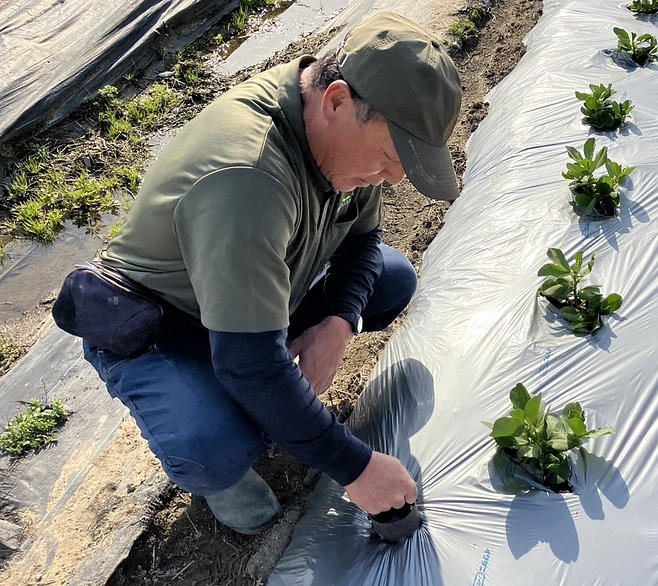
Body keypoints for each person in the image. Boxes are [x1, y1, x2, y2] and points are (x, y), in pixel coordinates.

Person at [78, 12, 462, 534]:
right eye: (392, 158)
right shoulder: (246, 177)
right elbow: (248, 361)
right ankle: (219, 468)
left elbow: (364, 240)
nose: (393, 178)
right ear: (336, 100)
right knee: (213, 442)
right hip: (167, 324)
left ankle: (268, 392)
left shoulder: (338, 128)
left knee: (391, 278)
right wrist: (358, 468)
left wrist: (339, 323)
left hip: (256, 290)